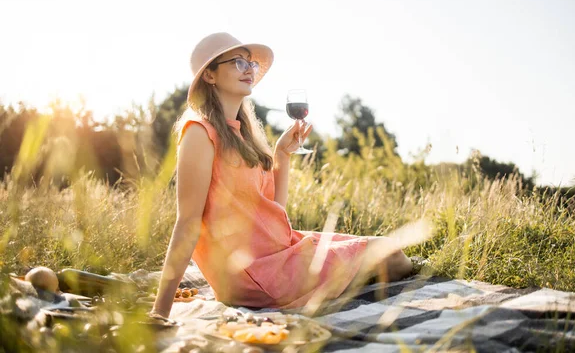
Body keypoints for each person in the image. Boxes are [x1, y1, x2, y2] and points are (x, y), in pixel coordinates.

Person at [150, 33, 413, 318]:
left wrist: (282, 156)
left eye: (250, 62)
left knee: (390, 251)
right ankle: (333, 285)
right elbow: (187, 222)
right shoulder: (199, 133)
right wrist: (160, 311)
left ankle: (336, 282)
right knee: (390, 255)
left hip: (277, 254)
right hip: (254, 274)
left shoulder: (241, 133)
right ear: (210, 76)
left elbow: (274, 212)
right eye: (238, 62)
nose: (249, 68)